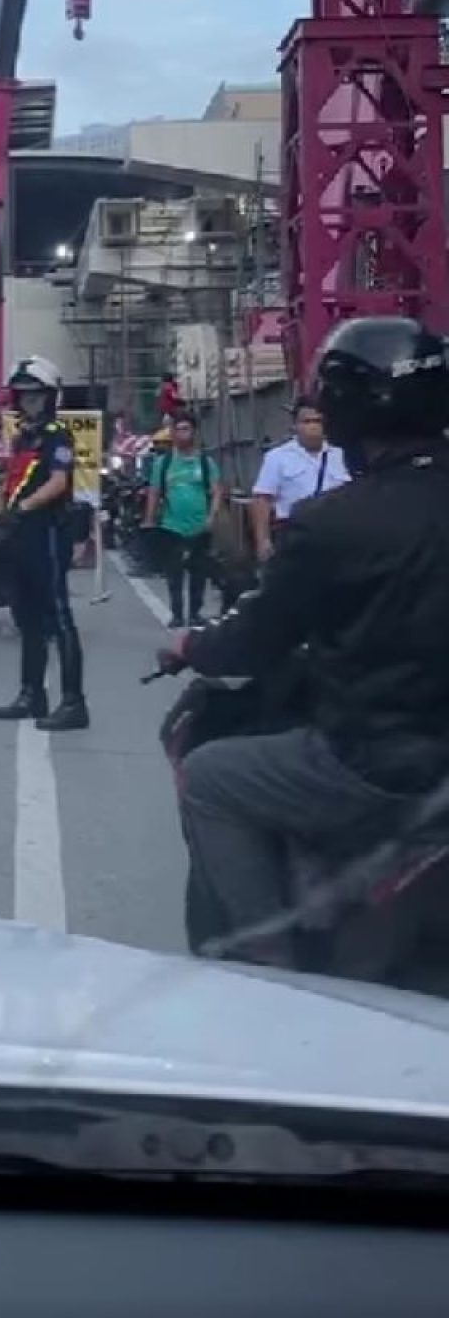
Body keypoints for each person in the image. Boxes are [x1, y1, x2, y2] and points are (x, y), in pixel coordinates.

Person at [159, 314, 449, 968]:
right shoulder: (309, 494)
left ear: (343, 411)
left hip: (379, 767)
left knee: (209, 777)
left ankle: (270, 967)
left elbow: (253, 640)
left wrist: (189, 647)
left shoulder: (333, 523)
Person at [0, 355, 89, 733]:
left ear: (49, 398)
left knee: (59, 617)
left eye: (36, 396)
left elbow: (59, 482)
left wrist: (23, 508)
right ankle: (31, 694)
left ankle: (74, 702)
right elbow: (12, 482)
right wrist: (3, 514)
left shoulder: (56, 435)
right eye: (24, 396)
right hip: (21, 535)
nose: (29, 402)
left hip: (48, 532)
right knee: (28, 618)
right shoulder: (22, 438)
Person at [144, 409, 222, 630]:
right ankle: (177, 614)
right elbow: (155, 492)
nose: (181, 434)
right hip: (171, 525)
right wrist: (149, 519)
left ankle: (195, 613)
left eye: (186, 429)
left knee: (199, 574)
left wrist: (211, 517)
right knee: (174, 573)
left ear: (194, 432)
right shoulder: (164, 463)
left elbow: (216, 491)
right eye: (177, 429)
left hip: (200, 526)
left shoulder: (205, 463)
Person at [248, 394, 349, 561]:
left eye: (318, 421)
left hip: (336, 536)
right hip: (293, 536)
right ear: (295, 425)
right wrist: (263, 540)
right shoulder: (277, 458)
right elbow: (262, 500)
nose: (313, 427)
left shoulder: (340, 455)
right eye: (307, 422)